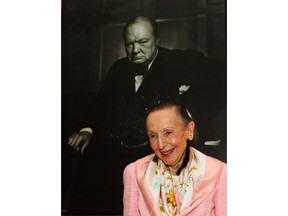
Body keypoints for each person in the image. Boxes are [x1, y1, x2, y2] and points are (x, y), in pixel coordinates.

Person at [66, 15, 226, 214]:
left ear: (157, 40)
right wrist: (87, 130)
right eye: (130, 44)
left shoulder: (180, 61)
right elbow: (100, 105)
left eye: (143, 42)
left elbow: (222, 76)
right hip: (121, 152)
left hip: (160, 151)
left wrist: (192, 117)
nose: (135, 50)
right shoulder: (119, 68)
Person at [123, 101, 227, 216]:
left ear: (189, 130)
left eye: (168, 133)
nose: (161, 144)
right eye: (153, 136)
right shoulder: (135, 173)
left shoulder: (219, 172)